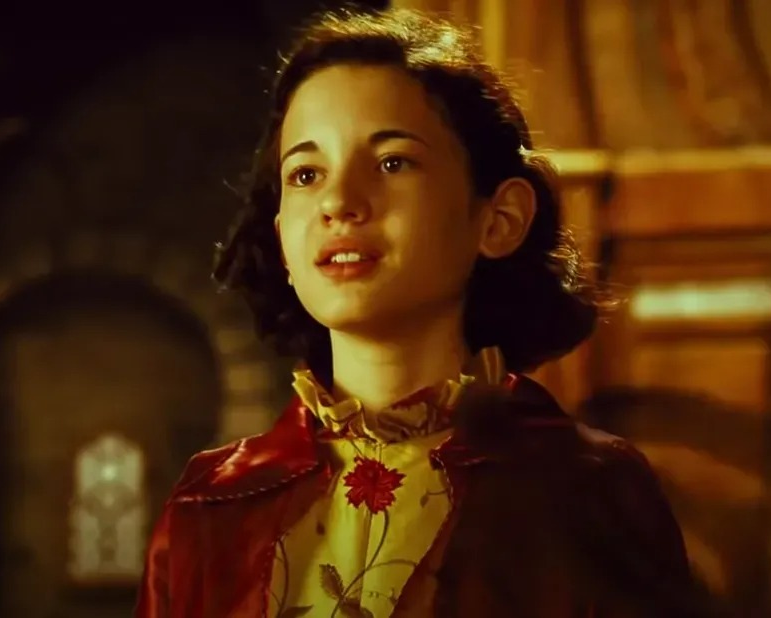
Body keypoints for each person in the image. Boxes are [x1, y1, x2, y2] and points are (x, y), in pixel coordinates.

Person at [136, 7, 707, 617]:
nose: (338, 202)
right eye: (305, 174)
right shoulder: (212, 505)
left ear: (500, 219)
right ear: (282, 240)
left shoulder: (588, 491)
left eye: (392, 162)